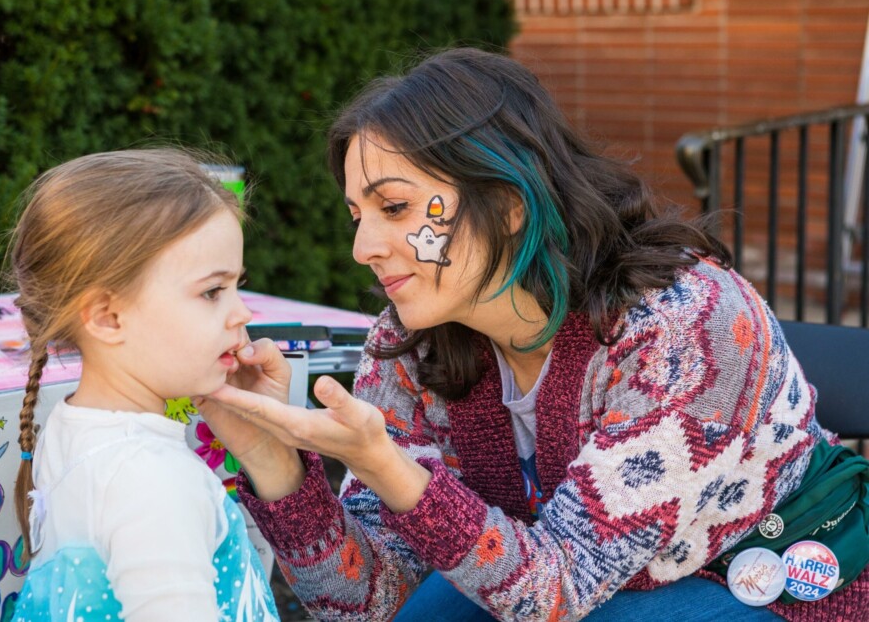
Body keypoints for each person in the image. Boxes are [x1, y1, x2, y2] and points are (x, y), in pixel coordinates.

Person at [201, 48, 869, 621]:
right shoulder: (412, 345)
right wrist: (274, 464)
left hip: (771, 583)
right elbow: (371, 604)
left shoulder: (680, 324)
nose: (362, 247)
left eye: (396, 207)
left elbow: (558, 591)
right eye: (356, 214)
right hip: (561, 588)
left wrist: (389, 469)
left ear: (508, 203)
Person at [7, 149, 280, 621]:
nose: (243, 314)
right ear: (108, 318)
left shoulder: (70, 428)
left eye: (237, 285)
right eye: (213, 291)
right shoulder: (152, 478)